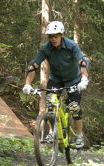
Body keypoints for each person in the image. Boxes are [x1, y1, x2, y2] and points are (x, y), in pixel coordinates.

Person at [22, 20, 90, 148]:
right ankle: (52, 132)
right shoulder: (46, 48)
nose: (53, 39)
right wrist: (27, 84)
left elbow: (82, 62)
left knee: (74, 107)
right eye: (51, 37)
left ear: (61, 35)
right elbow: (33, 66)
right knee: (51, 103)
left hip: (74, 79)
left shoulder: (71, 46)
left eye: (56, 36)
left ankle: (79, 136)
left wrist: (84, 79)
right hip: (56, 79)